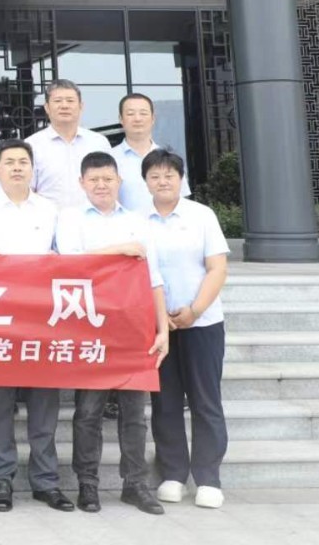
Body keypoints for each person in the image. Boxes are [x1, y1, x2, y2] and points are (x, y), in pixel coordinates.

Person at [55, 151, 171, 516]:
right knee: (88, 410)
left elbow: (153, 278)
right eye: (94, 179)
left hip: (133, 328)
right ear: (82, 183)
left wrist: (163, 329)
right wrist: (120, 249)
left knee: (134, 413)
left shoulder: (137, 222)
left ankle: (135, 484)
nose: (101, 185)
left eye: (107, 179)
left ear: (119, 181)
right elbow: (71, 262)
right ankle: (87, 484)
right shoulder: (71, 218)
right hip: (89, 328)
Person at [0, 140, 72, 513]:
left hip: (42, 320)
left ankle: (46, 481)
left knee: (44, 405)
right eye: (9, 162)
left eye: (23, 162)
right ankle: (1, 479)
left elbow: (66, 258)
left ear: (32, 169)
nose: (17, 167)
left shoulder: (50, 210)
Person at [141, 149, 229, 510]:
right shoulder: (136, 221)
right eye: (155, 176)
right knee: (165, 402)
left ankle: (208, 477)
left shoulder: (201, 215)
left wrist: (194, 310)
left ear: (181, 179)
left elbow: (217, 268)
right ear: (145, 182)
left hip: (202, 323)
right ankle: (173, 473)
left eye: (169, 175)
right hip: (157, 327)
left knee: (205, 400)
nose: (162, 182)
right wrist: (161, 317)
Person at [25, 79, 110, 211]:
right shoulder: (32, 145)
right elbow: (26, 191)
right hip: (49, 220)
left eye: (70, 101)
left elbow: (110, 185)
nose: (64, 106)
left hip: (93, 219)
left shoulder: (98, 142)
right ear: (47, 107)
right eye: (58, 101)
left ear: (81, 106)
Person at [114, 93, 175, 213]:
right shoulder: (110, 159)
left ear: (153, 118)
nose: (137, 119)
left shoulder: (169, 158)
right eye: (130, 114)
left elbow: (180, 198)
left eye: (143, 113)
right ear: (121, 119)